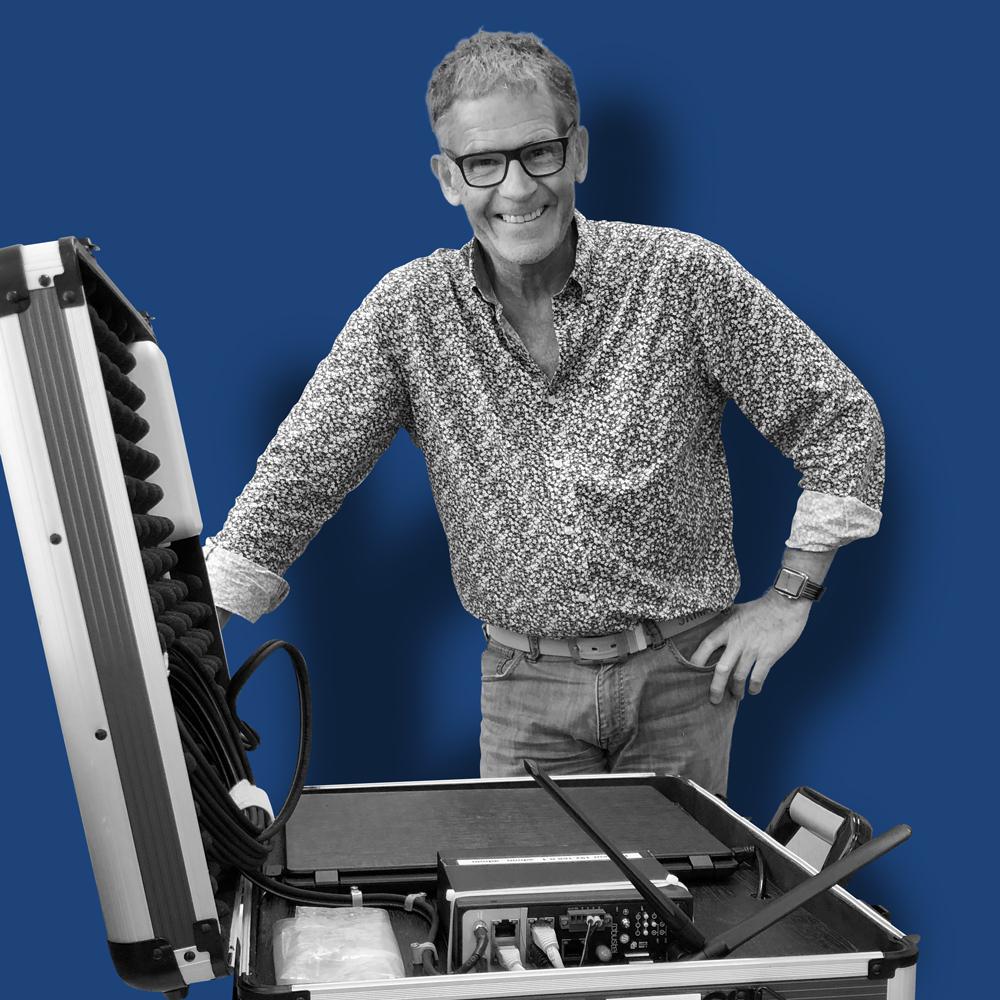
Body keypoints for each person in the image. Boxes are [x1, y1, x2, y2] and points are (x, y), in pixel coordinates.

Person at [204, 30, 883, 796]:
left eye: (538, 153)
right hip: (523, 689)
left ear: (578, 153)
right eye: (483, 163)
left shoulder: (681, 276)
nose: (518, 188)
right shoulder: (407, 313)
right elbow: (300, 475)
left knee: (680, 880)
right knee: (520, 881)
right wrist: (196, 638)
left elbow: (838, 418)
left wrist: (790, 600)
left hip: (685, 676)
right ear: (447, 178)